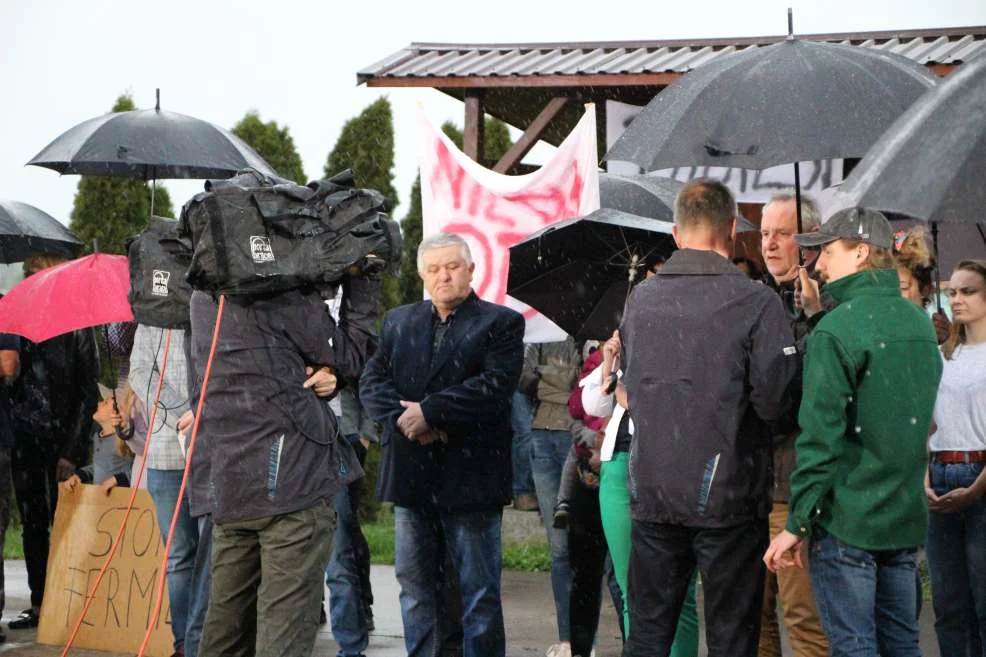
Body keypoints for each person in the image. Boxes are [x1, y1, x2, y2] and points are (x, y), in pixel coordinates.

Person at [621, 179, 798, 657]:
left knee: (648, 635)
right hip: (729, 495)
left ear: (676, 234)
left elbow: (632, 389)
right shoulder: (757, 302)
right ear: (733, 228)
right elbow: (776, 403)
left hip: (654, 491)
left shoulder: (640, 300)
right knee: (731, 640)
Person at [764, 207, 943, 657]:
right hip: (902, 519)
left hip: (848, 523)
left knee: (854, 647)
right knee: (902, 645)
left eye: (827, 250)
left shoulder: (838, 329)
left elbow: (820, 439)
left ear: (861, 252)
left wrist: (797, 523)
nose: (819, 263)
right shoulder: (918, 323)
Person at [190, 273, 376, 657]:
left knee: (225, 634)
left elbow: (234, 378)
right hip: (290, 488)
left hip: (229, 485)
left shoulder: (202, 299)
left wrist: (321, 376)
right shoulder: (284, 294)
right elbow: (349, 353)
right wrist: (362, 280)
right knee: (282, 638)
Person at [360, 232, 524, 657]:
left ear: (471, 269)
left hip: (472, 480)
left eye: (452, 266)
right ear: (421, 275)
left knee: (478, 594)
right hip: (412, 477)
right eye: (433, 269)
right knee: (415, 591)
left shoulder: (501, 323)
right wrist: (404, 420)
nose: (443, 276)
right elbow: (372, 381)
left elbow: (494, 387)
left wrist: (430, 412)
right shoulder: (398, 321)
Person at [581, 330, 699, 657]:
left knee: (679, 591)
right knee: (633, 589)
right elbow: (593, 403)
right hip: (619, 465)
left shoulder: (695, 333)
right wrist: (609, 363)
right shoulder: (631, 340)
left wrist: (634, 398)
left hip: (674, 464)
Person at [7, 254, 99, 630]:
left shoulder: (77, 326)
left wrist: (72, 452)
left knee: (71, 525)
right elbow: (12, 382)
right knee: (33, 524)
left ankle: (73, 603)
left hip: (64, 441)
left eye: (38, 274)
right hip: (26, 439)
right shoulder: (19, 323)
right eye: (30, 275)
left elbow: (87, 391)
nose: (34, 281)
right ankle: (40, 602)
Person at [756, 190, 829, 657]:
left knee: (803, 620)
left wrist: (811, 318)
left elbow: (806, 400)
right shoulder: (758, 304)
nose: (769, 244)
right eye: (764, 233)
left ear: (810, 242)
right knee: (751, 620)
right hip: (750, 488)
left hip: (795, 489)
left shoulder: (830, 308)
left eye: (782, 233)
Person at [925, 260, 986, 657]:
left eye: (969, 291)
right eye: (952, 292)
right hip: (937, 470)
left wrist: (976, 488)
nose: (957, 299)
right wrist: (924, 478)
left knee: (983, 599)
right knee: (948, 604)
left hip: (980, 472)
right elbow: (925, 420)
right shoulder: (944, 353)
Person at [129, 324, 199, 657]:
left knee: (222, 555)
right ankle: (185, 644)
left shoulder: (219, 302)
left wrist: (203, 412)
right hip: (166, 454)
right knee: (179, 555)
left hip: (217, 452)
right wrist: (185, 413)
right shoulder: (152, 318)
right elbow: (140, 373)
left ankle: (213, 641)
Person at [519, 336, 581, 657]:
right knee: (558, 549)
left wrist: (547, 378)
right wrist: (563, 386)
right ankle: (567, 639)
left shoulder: (584, 333)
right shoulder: (539, 333)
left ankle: (586, 638)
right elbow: (524, 379)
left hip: (578, 439)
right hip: (541, 439)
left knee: (584, 546)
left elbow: (582, 383)